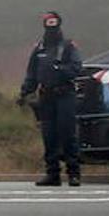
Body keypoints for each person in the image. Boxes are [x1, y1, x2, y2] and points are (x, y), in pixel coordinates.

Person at [18, 11, 84, 187]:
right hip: (46, 97)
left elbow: (77, 68)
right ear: (44, 24)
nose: (51, 26)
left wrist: (60, 69)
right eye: (48, 22)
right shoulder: (39, 49)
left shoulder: (69, 46)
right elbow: (32, 73)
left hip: (65, 95)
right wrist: (24, 92)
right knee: (49, 136)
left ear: (59, 24)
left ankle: (74, 173)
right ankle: (52, 174)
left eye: (54, 22)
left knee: (68, 135)